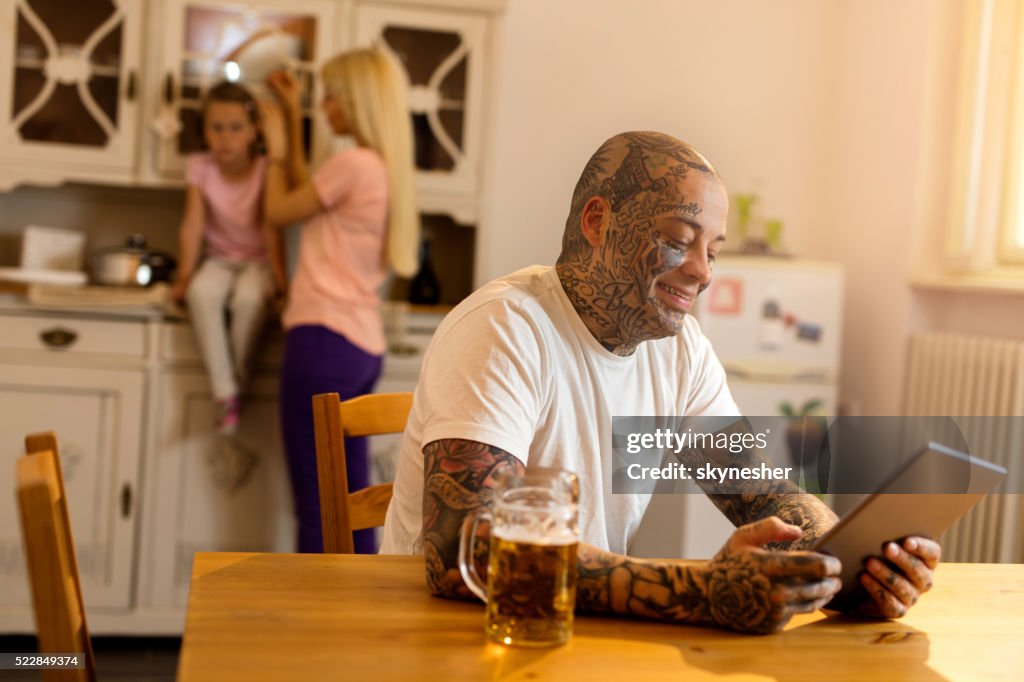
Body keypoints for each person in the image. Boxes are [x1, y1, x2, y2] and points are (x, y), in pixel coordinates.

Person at [380, 131, 941, 634]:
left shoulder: (681, 350)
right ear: (598, 222)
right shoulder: (503, 328)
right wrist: (702, 591)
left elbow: (759, 492)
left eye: (713, 250)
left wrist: (854, 567)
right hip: (445, 635)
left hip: (570, 629)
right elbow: (462, 554)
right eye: (679, 239)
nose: (703, 270)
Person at [259, 49, 418, 554]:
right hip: (358, 346)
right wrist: (290, 112)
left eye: (331, 96)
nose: (325, 106)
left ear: (357, 101)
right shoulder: (381, 167)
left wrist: (276, 150)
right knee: (347, 507)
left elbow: (281, 209)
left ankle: (317, 629)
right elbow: (312, 193)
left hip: (322, 344)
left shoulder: (353, 164)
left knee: (320, 507)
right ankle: (355, 621)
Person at [171, 81, 288, 435]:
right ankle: (227, 395)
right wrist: (183, 276)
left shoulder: (265, 168)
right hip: (219, 258)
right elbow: (192, 226)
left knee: (249, 300)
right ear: (204, 131)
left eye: (235, 128)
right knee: (201, 294)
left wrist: (283, 284)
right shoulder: (201, 167)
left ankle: (230, 384)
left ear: (254, 131)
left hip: (257, 261)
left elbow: (272, 230)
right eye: (216, 127)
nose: (225, 137)